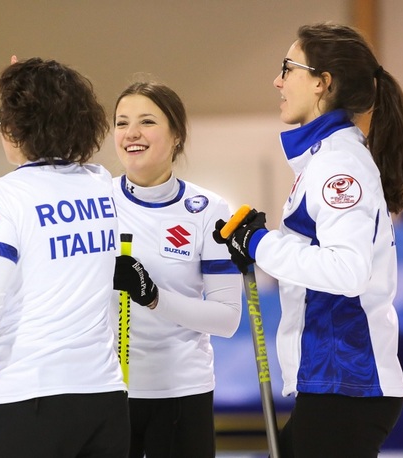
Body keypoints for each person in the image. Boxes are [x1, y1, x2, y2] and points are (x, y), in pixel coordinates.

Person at [214, 22, 403, 458]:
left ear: (323, 83)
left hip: (346, 382)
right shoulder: (323, 161)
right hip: (336, 382)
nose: (277, 80)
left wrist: (261, 244)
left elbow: (347, 271)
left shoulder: (337, 166)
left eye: (288, 68)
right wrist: (256, 244)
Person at [0, 56, 129, 457]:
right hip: (104, 399)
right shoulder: (102, 185)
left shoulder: (5, 195)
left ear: (17, 126)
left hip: (29, 398)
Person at [110, 80, 243, 457]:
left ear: (177, 135)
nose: (131, 133)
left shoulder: (208, 209)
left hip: (182, 393)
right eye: (121, 123)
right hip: (107, 390)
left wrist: (153, 298)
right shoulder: (95, 201)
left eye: (147, 122)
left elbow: (227, 319)